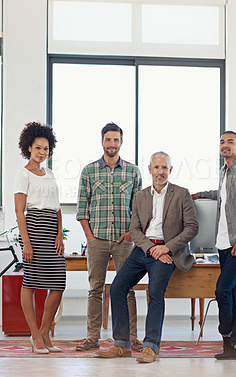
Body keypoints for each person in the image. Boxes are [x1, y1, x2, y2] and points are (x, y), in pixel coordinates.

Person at [97, 151, 198, 363]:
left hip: (167, 252)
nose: (160, 172)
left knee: (155, 292)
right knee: (117, 288)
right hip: (143, 250)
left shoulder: (181, 194)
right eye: (156, 167)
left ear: (170, 170)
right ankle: (121, 344)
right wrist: (151, 249)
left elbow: (191, 228)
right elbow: (134, 230)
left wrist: (167, 248)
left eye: (164, 168)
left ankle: (151, 346)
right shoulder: (140, 196)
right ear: (150, 169)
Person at [192, 131, 236, 360]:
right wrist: (198, 194)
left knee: (222, 290)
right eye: (222, 142)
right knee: (233, 293)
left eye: (230, 142)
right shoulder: (225, 172)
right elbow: (221, 196)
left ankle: (228, 335)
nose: (225, 145)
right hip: (224, 243)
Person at [76, 122, 142, 352]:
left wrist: (130, 233)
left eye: (116, 140)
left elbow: (140, 209)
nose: (112, 144)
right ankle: (92, 337)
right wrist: (90, 238)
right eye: (108, 140)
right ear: (102, 142)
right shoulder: (89, 171)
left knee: (128, 289)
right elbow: (82, 209)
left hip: (124, 241)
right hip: (98, 240)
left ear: (121, 143)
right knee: (95, 289)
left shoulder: (133, 172)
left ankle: (132, 338)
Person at [14, 121, 66, 354]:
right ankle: (35, 334)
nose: (42, 152)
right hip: (34, 230)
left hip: (51, 231)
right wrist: (26, 242)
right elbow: (19, 210)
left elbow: (57, 208)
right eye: (38, 148)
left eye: (45, 148)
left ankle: (45, 331)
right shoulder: (23, 174)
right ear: (28, 147)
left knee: (58, 283)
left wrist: (59, 235)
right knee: (31, 282)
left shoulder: (51, 173)